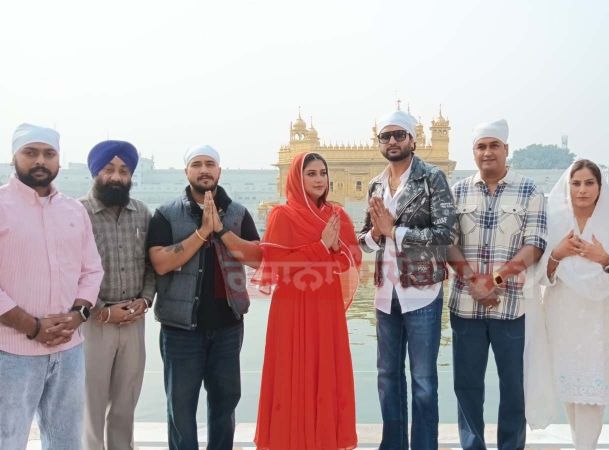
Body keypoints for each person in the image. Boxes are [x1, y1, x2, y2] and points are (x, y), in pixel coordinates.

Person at [527, 159, 609, 450]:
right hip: (563, 314)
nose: (582, 190)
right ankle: (580, 444)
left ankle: (587, 446)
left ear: (600, 186)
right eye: (576, 183)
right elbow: (538, 273)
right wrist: (557, 253)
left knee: (594, 389)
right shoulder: (554, 220)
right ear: (568, 186)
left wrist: (604, 258)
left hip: (598, 318)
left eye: (589, 183)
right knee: (570, 389)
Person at [146, 145, 262, 450]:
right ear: (187, 172)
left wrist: (221, 231)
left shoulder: (237, 213)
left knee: (225, 404)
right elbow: (160, 262)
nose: (204, 170)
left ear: (219, 171)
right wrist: (202, 233)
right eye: (196, 164)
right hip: (180, 329)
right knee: (181, 408)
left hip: (227, 326)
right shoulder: (167, 214)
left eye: (210, 164)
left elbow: (257, 258)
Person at [0, 123, 104, 449]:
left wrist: (77, 316)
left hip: (69, 349)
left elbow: (92, 271)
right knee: (9, 438)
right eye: (31, 153)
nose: (40, 161)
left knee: (66, 441)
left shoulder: (74, 210)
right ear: (15, 157)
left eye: (49, 154)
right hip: (11, 351)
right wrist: (32, 326)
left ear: (59, 160)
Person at [357, 109, 456, 449]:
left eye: (399, 135)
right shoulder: (376, 183)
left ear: (413, 139)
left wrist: (395, 231)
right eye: (386, 136)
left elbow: (446, 235)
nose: (393, 141)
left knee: (424, 380)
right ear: (379, 142)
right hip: (386, 294)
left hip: (422, 292)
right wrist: (374, 233)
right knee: (387, 378)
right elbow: (363, 240)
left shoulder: (432, 178)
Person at [447, 119, 546, 450]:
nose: (487, 152)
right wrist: (475, 281)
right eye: (481, 147)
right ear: (473, 152)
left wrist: (495, 280)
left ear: (506, 150)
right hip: (465, 307)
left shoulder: (530, 191)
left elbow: (534, 245)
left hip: (512, 307)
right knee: (467, 386)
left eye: (493, 146)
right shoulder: (457, 191)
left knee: (513, 387)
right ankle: (472, 445)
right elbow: (448, 243)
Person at [252, 152, 362, 450]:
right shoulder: (282, 215)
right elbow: (277, 266)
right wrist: (321, 246)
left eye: (322, 173)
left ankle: (323, 441)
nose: (318, 179)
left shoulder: (336, 215)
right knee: (293, 373)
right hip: (293, 307)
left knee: (325, 371)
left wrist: (336, 250)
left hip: (326, 307)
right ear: (296, 179)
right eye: (310, 173)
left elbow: (351, 259)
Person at [79, 140, 156, 450]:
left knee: (126, 405)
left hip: (133, 322)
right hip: (93, 323)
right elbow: (70, 271)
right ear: (96, 172)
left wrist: (146, 299)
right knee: (92, 407)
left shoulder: (142, 213)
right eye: (109, 169)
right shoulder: (78, 213)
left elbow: (151, 264)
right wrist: (101, 311)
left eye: (124, 170)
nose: (116, 176)